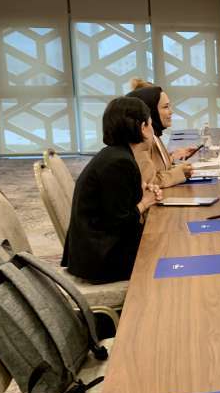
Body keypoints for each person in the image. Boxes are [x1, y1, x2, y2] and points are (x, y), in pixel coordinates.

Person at [62, 96, 162, 284]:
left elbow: (115, 207)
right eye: (150, 124)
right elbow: (120, 223)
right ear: (142, 127)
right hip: (102, 260)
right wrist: (145, 202)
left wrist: (141, 193)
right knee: (168, 249)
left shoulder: (114, 155)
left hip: (98, 250)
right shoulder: (120, 163)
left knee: (164, 239)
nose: (153, 130)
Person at [127, 79, 195, 187]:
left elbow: (159, 167)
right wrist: (180, 173)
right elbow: (148, 183)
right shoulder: (141, 141)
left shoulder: (155, 134)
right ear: (150, 110)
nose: (171, 112)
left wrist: (173, 157)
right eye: (165, 107)